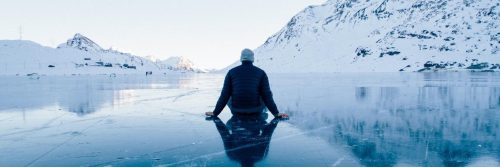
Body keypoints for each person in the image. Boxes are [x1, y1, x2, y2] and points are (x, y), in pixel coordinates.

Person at [205, 48, 288, 118]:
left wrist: (215, 112)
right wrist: (276, 113)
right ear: (252, 58)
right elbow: (267, 95)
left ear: (241, 58)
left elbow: (224, 95)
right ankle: (264, 111)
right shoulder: (261, 73)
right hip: (256, 110)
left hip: (236, 110)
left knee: (228, 93)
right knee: (267, 93)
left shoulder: (231, 72)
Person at [208, 113, 280, 167]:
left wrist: (216, 117)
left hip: (240, 115)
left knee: (230, 124)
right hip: (251, 117)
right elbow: (267, 134)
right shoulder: (233, 155)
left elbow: (267, 134)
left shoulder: (260, 155)